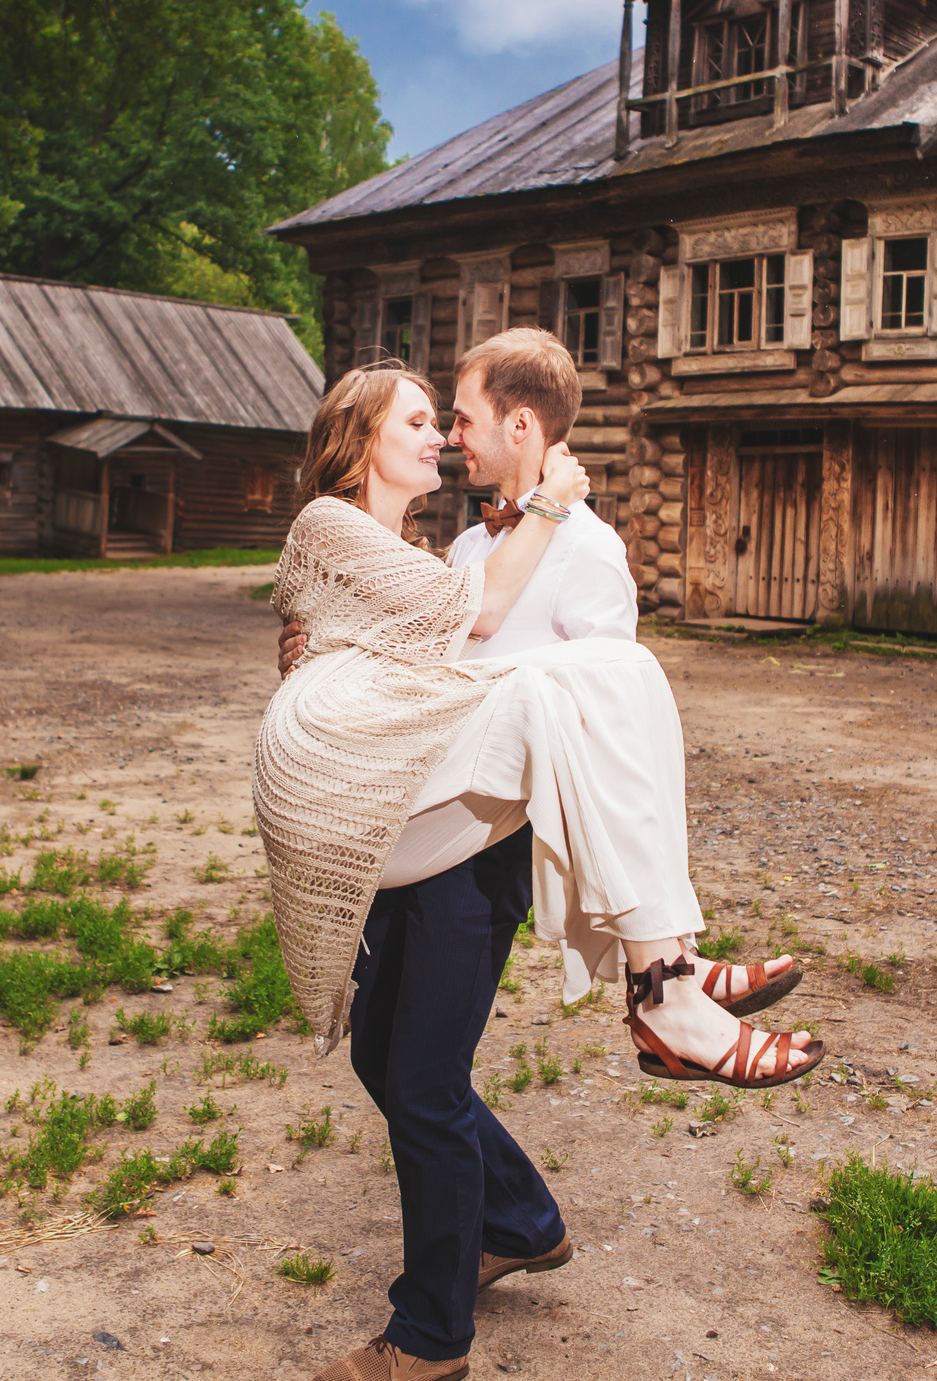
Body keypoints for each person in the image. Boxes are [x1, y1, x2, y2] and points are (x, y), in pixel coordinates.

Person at [253, 352, 819, 1381]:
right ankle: (520, 1214)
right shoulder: (421, 537)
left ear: (520, 426)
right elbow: (437, 632)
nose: (443, 436)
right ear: (360, 437)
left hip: (476, 841)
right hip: (403, 817)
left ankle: (429, 1336)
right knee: (394, 1067)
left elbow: (602, 741)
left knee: (604, 679)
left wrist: (552, 514)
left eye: (453, 418)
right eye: (423, 421)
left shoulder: (565, 546)